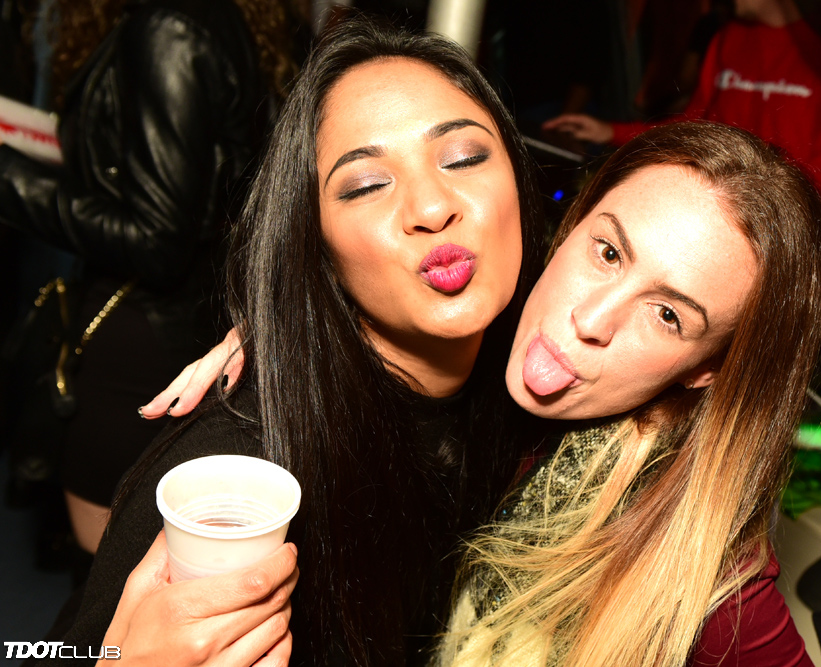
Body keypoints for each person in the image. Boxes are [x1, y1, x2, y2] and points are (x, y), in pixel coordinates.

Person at [136, 122, 821, 666]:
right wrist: (294, 328)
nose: (591, 320)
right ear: (574, 223)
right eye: (608, 252)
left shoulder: (707, 580)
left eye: (669, 314)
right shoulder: (480, 333)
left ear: (705, 370)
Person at [29, 16, 546, 667]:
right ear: (316, 246)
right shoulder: (242, 469)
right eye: (366, 185)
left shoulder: (549, 386)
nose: (431, 206)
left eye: (465, 157)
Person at [0, 0, 298, 556]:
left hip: (141, 344)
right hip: (185, 327)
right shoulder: (205, 19)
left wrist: (9, 181)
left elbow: (157, 241)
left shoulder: (169, 27)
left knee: (110, 579)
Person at [543, 0, 821, 234]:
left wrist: (748, 204)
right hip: (720, 221)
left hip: (795, 241)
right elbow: (696, 128)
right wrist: (611, 132)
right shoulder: (729, 37)